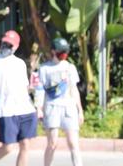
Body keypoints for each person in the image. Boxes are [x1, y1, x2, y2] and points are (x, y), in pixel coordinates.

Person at [0, 30, 39, 166]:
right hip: (7, 110)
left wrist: (36, 95)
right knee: (8, 147)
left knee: (25, 144)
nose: (6, 46)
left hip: (25, 109)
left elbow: (25, 87)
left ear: (16, 47)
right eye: (5, 43)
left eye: (10, 45)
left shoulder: (20, 63)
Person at [35, 37, 85, 166]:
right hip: (52, 108)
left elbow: (74, 90)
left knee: (73, 143)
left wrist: (80, 110)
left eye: (65, 51)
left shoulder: (70, 67)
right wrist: (39, 108)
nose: (64, 54)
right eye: (61, 51)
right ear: (53, 51)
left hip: (69, 108)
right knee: (52, 143)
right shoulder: (44, 68)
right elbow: (40, 90)